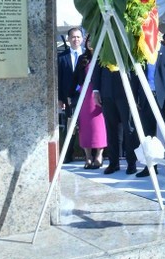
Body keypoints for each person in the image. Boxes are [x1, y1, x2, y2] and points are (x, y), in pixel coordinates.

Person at [132, 35, 165, 178]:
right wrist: (136, 97)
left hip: (163, 98)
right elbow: (135, 78)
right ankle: (150, 166)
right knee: (147, 134)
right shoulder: (142, 55)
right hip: (146, 97)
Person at [92, 61, 137, 175]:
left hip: (125, 92)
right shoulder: (104, 45)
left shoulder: (127, 43)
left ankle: (131, 163)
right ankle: (113, 163)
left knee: (129, 129)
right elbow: (97, 68)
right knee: (111, 129)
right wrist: (96, 90)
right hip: (107, 92)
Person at [74, 38, 106, 169]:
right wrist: (70, 95)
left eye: (94, 40)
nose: (91, 43)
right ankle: (87, 157)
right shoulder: (82, 58)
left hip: (99, 95)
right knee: (85, 126)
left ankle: (99, 155)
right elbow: (75, 77)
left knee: (99, 126)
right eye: (89, 41)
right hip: (85, 96)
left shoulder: (103, 57)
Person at [58, 27, 84, 160]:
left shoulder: (88, 55)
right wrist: (60, 99)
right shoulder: (61, 58)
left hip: (86, 96)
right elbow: (59, 80)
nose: (76, 39)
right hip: (69, 97)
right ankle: (68, 154)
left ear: (82, 39)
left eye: (78, 37)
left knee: (86, 124)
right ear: (68, 39)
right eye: (73, 37)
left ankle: (88, 154)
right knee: (71, 125)